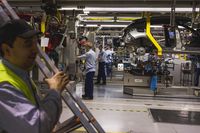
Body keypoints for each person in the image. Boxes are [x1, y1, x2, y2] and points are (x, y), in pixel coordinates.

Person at [0, 19, 69, 133]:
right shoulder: (4, 85)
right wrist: (55, 91)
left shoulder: (19, 73)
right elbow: (37, 128)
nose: (35, 50)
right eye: (28, 44)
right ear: (7, 50)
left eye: (35, 43)